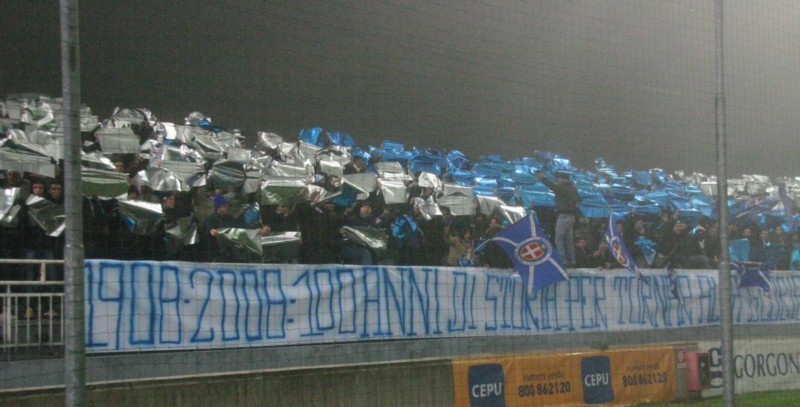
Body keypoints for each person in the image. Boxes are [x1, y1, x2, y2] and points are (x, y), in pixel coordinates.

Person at [535, 171, 582, 267]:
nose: (557, 180)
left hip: (563, 216)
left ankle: (563, 261)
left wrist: (542, 178)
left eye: (559, 178)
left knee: (559, 239)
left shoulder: (562, 187)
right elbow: (579, 200)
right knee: (568, 240)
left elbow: (552, 186)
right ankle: (572, 260)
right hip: (571, 216)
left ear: (564, 179)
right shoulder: (572, 187)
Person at [205, 195, 271, 262]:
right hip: (217, 254)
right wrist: (215, 231)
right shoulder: (210, 220)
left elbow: (243, 226)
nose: (227, 208)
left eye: (227, 206)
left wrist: (259, 228)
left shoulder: (229, 219)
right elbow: (211, 231)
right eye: (224, 206)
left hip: (231, 252)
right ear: (218, 208)